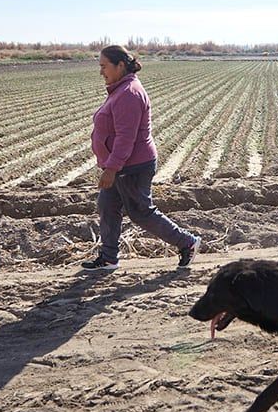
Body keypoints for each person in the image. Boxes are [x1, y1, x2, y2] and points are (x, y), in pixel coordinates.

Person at [81, 45, 201, 270]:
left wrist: (112, 169)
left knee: (141, 212)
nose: (101, 72)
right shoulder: (120, 89)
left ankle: (188, 243)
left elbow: (126, 138)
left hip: (133, 166)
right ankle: (108, 258)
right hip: (121, 165)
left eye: (104, 66)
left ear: (120, 65)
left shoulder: (129, 94)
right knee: (107, 205)